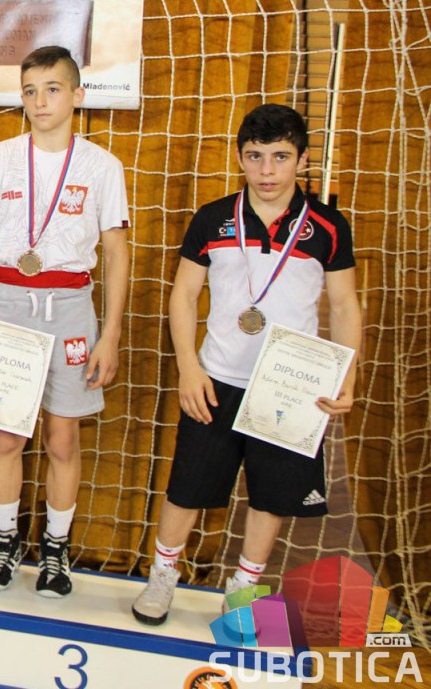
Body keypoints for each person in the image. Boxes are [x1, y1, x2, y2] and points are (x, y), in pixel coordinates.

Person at [132, 104, 361, 626]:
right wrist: (189, 368)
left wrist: (348, 374)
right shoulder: (212, 217)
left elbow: (346, 304)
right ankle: (162, 575)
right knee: (187, 487)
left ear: (302, 160)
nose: (267, 170)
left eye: (280, 157)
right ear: (240, 158)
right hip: (216, 379)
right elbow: (183, 295)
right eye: (255, 157)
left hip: (290, 387)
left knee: (271, 496)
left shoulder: (328, 226)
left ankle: (243, 589)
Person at [0, 45, 129, 596]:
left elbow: (117, 253)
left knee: (62, 439)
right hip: (8, 303)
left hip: (71, 308)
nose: (40, 101)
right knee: (7, 436)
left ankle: (56, 550)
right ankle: (5, 542)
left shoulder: (103, 166)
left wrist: (110, 333)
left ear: (77, 95)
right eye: (30, 91)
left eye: (52, 89)